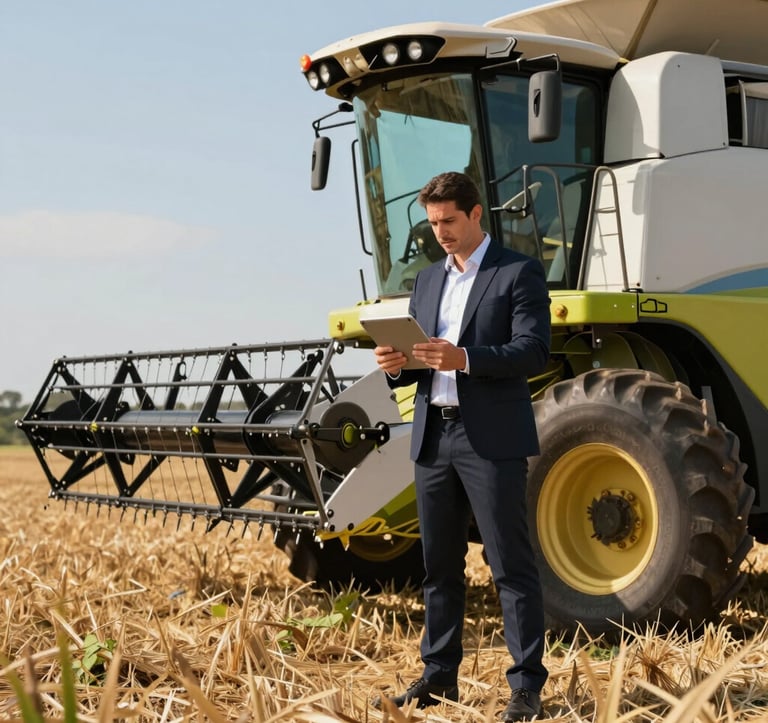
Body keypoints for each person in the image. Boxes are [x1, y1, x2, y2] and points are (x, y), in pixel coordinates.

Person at [372, 171, 551, 722]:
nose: (440, 232)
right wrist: (395, 367)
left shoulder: (518, 271)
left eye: (449, 221)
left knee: (510, 566)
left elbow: (531, 352)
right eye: (432, 223)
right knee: (439, 566)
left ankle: (525, 688)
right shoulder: (426, 281)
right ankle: (438, 676)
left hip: (490, 440)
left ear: (476, 215)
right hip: (433, 435)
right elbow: (419, 363)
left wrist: (465, 358)